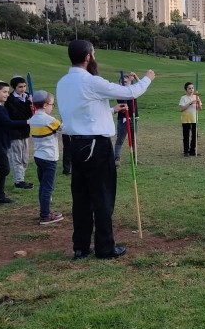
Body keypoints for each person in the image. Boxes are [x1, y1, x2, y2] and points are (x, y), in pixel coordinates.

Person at [56, 39, 155, 260]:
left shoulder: (63, 82)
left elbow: (82, 111)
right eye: (94, 53)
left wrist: (110, 110)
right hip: (95, 145)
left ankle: (80, 246)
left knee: (81, 197)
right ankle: (105, 247)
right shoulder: (92, 82)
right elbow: (130, 92)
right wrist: (148, 78)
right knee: (102, 196)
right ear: (88, 57)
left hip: (74, 143)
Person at [28, 90, 64, 225]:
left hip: (39, 156)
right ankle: (45, 215)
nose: (52, 107)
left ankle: (45, 211)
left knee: (43, 186)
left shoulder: (33, 119)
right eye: (52, 105)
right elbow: (64, 129)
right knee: (48, 187)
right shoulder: (49, 119)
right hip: (49, 158)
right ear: (44, 105)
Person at [4, 75, 34, 189]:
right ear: (14, 88)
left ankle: (22, 178)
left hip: (25, 132)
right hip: (14, 132)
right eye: (20, 87)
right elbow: (15, 115)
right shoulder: (10, 100)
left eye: (24, 86)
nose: (23, 89)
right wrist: (27, 105)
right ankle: (18, 181)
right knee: (17, 157)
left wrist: (32, 108)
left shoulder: (27, 98)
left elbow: (31, 115)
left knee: (25, 158)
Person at [114, 74, 139, 167]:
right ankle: (116, 158)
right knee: (120, 140)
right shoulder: (119, 92)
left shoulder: (133, 91)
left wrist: (135, 77)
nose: (125, 83)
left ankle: (134, 158)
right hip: (123, 119)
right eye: (123, 82)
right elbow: (123, 101)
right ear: (119, 83)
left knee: (134, 140)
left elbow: (141, 86)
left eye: (126, 81)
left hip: (134, 118)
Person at [179, 82, 202, 157]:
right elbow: (182, 109)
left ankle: (192, 150)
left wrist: (198, 103)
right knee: (186, 136)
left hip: (194, 119)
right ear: (186, 89)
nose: (191, 90)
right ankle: (186, 151)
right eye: (189, 88)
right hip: (186, 120)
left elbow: (200, 109)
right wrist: (190, 103)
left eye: (192, 88)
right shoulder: (183, 98)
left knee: (195, 135)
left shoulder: (196, 97)